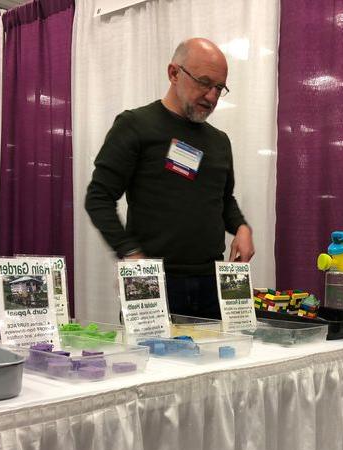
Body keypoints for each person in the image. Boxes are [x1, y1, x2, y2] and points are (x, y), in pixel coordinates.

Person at [85, 38, 254, 319]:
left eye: (219, 88)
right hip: (153, 280)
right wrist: (129, 252)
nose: (211, 97)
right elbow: (98, 198)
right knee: (152, 364)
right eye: (204, 82)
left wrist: (241, 227)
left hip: (212, 284)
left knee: (221, 363)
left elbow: (223, 200)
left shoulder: (219, 141)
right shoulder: (135, 125)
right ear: (174, 73)